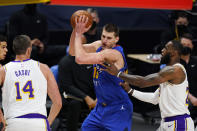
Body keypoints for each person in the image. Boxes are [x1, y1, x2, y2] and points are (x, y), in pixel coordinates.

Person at [103, 40, 195, 131]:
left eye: (166, 48)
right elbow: (154, 98)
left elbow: (143, 82)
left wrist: (118, 73)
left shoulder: (175, 70)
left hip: (178, 123)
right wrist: (131, 91)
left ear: (173, 53)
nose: (162, 50)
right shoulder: (169, 73)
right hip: (169, 122)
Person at [69, 16, 133, 131]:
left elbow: (80, 59)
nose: (104, 40)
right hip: (101, 107)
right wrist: (75, 30)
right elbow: (72, 51)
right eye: (103, 36)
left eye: (109, 38)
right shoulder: (99, 45)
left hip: (118, 108)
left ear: (116, 39)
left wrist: (79, 35)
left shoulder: (114, 54)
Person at [0, 35, 62, 131]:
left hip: (13, 123)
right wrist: (47, 124)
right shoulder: (44, 68)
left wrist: (1, 118)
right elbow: (58, 103)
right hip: (38, 122)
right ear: (29, 50)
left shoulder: (3, 70)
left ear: (13, 49)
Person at [58, 55, 96, 131]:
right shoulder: (66, 62)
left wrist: (99, 96)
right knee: (74, 104)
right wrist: (86, 98)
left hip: (93, 94)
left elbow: (101, 81)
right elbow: (67, 86)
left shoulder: (95, 61)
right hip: (73, 96)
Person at [179, 33, 197, 126]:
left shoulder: (195, 61)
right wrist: (191, 97)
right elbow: (177, 85)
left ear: (192, 46)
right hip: (182, 97)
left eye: (188, 45)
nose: (186, 47)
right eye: (183, 45)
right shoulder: (174, 63)